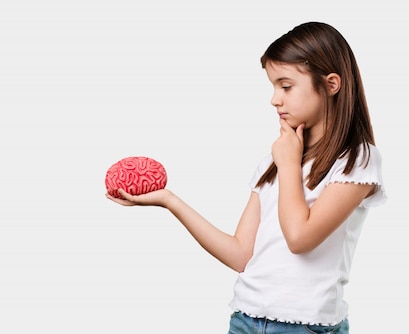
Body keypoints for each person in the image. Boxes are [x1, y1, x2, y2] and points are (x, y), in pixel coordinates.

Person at [106, 21, 387, 333]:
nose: (274, 99)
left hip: (306, 327)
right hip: (245, 320)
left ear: (331, 84)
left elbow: (300, 238)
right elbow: (241, 254)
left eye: (286, 86)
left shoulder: (356, 160)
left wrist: (290, 164)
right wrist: (169, 201)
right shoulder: (275, 160)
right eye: (273, 87)